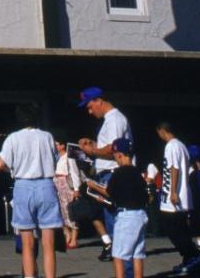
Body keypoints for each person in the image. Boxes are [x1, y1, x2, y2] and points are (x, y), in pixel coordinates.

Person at [0, 103, 60, 278]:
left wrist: (13, 171)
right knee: (49, 243)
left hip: (23, 186)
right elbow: (55, 160)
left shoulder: (12, 138)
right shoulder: (47, 136)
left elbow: (0, 164)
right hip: (46, 185)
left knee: (27, 244)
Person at [155, 121, 200, 276]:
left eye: (158, 132)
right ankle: (190, 257)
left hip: (175, 197)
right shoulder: (181, 145)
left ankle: (193, 255)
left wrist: (173, 192)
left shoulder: (171, 146)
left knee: (173, 228)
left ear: (162, 130)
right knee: (179, 228)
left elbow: (174, 168)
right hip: (180, 195)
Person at [76, 86, 131, 262]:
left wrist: (91, 150)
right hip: (107, 174)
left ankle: (124, 266)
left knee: (116, 223)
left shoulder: (114, 119)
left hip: (112, 173)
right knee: (110, 219)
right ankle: (120, 262)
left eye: (90, 106)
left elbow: (113, 150)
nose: (90, 111)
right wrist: (92, 144)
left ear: (99, 100)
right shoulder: (109, 120)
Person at [87, 138, 146, 278]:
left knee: (118, 254)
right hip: (140, 215)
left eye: (114, 155)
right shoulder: (137, 173)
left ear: (119, 154)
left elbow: (110, 192)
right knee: (137, 254)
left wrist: (94, 186)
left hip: (125, 217)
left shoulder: (118, 173)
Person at [53, 140, 83, 248]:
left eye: (57, 144)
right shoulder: (56, 157)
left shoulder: (68, 157)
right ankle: (67, 234)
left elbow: (74, 172)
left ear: (62, 145)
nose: (55, 146)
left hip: (67, 185)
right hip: (57, 186)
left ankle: (74, 239)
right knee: (60, 212)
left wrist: (76, 188)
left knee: (71, 212)